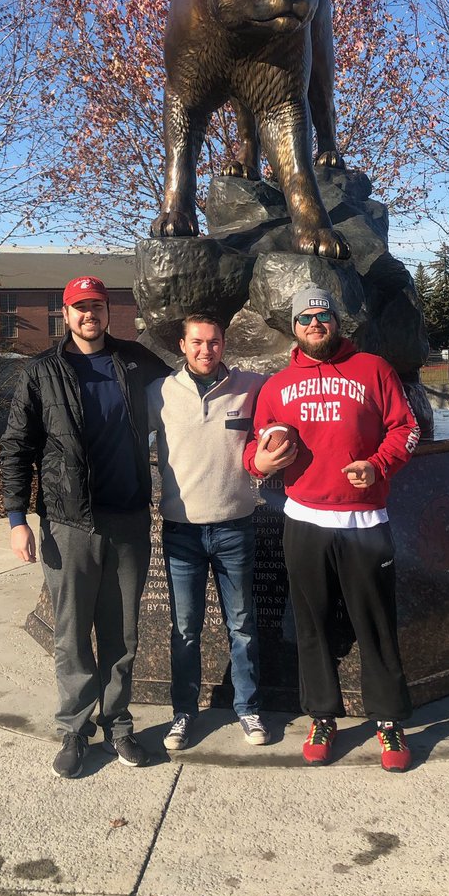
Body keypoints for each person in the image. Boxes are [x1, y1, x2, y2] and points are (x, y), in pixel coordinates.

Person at [244, 285, 420, 770]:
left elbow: (406, 428)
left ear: (336, 322)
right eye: (305, 319)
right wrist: (260, 461)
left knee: (376, 624)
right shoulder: (277, 386)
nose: (314, 325)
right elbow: (254, 452)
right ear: (293, 328)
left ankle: (389, 722)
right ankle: (322, 715)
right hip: (304, 519)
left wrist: (379, 465)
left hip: (363, 518)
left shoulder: (374, 369)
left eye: (322, 317)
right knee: (311, 625)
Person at [0, 275, 169, 778]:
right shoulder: (41, 372)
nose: (88, 315)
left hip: (129, 519)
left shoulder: (137, 361)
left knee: (123, 634)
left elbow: (188, 393)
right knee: (72, 635)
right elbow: (17, 448)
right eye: (78, 307)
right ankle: (74, 728)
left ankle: (118, 725)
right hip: (67, 522)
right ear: (66, 313)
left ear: (107, 310)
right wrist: (17, 518)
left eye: (95, 305)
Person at [147, 313, 269, 751]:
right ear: (182, 345)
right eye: (197, 342)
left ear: (224, 344)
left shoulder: (251, 387)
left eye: (214, 342)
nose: (206, 350)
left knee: (242, 626)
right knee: (185, 629)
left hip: (235, 526)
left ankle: (248, 708)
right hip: (182, 533)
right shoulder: (158, 393)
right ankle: (183, 712)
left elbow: (286, 406)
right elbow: (118, 441)